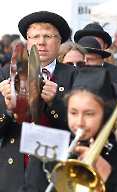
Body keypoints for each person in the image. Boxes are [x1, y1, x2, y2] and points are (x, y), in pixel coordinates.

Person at [19, 67, 117, 192]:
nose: (79, 122)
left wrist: (109, 177)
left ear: (106, 115)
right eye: (73, 112)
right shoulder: (48, 151)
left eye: (89, 114)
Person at [0, 11, 74, 192]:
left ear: (59, 42)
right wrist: (10, 111)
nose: (41, 42)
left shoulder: (74, 76)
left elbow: (79, 130)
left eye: (48, 36)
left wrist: (55, 103)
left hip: (52, 169)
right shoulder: (6, 73)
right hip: (14, 170)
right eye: (35, 36)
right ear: (27, 41)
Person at [74, 22, 117, 87]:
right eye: (85, 41)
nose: (90, 43)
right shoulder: (71, 72)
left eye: (94, 42)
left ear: (105, 46)